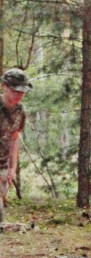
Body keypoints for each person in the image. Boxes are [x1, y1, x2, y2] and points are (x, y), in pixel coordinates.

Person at [0, 68, 33, 222]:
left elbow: (14, 138)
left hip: (3, 167)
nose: (19, 95)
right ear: (4, 86)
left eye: (22, 92)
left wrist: (13, 167)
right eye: (15, 91)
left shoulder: (20, 111)